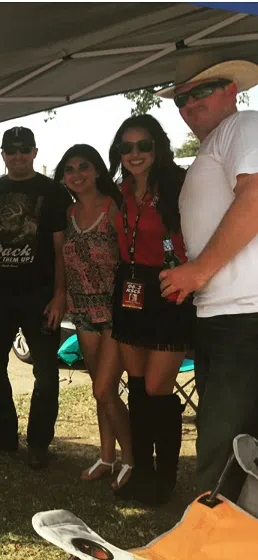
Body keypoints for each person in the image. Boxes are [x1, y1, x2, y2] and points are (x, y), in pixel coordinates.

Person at [157, 57, 258, 500]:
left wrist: (198, 271)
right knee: (235, 445)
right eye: (181, 98)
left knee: (224, 448)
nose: (189, 103)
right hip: (225, 315)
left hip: (244, 316)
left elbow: (256, 196)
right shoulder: (218, 144)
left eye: (202, 90)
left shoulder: (243, 126)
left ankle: (214, 532)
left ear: (231, 90)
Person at [108, 114, 195, 506]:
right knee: (138, 386)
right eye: (126, 147)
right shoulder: (121, 190)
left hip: (168, 289)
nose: (135, 153)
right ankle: (142, 472)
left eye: (143, 145)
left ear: (157, 147)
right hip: (130, 289)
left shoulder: (178, 185)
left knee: (158, 389)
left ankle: (166, 477)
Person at [0, 127, 71, 470]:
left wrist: (60, 294)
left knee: (45, 371)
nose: (17, 156)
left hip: (40, 295)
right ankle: (4, 430)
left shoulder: (53, 192)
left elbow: (61, 248)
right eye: (11, 150)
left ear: (34, 152)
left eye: (23, 150)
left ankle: (38, 443)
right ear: (2, 154)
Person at [54, 144, 132, 490]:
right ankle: (106, 456)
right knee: (99, 389)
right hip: (82, 310)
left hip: (115, 311)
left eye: (83, 166)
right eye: (69, 169)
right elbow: (61, 260)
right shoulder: (68, 213)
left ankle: (131, 459)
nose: (76, 174)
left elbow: (130, 258)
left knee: (105, 389)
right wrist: (61, 296)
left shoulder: (113, 208)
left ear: (97, 170)